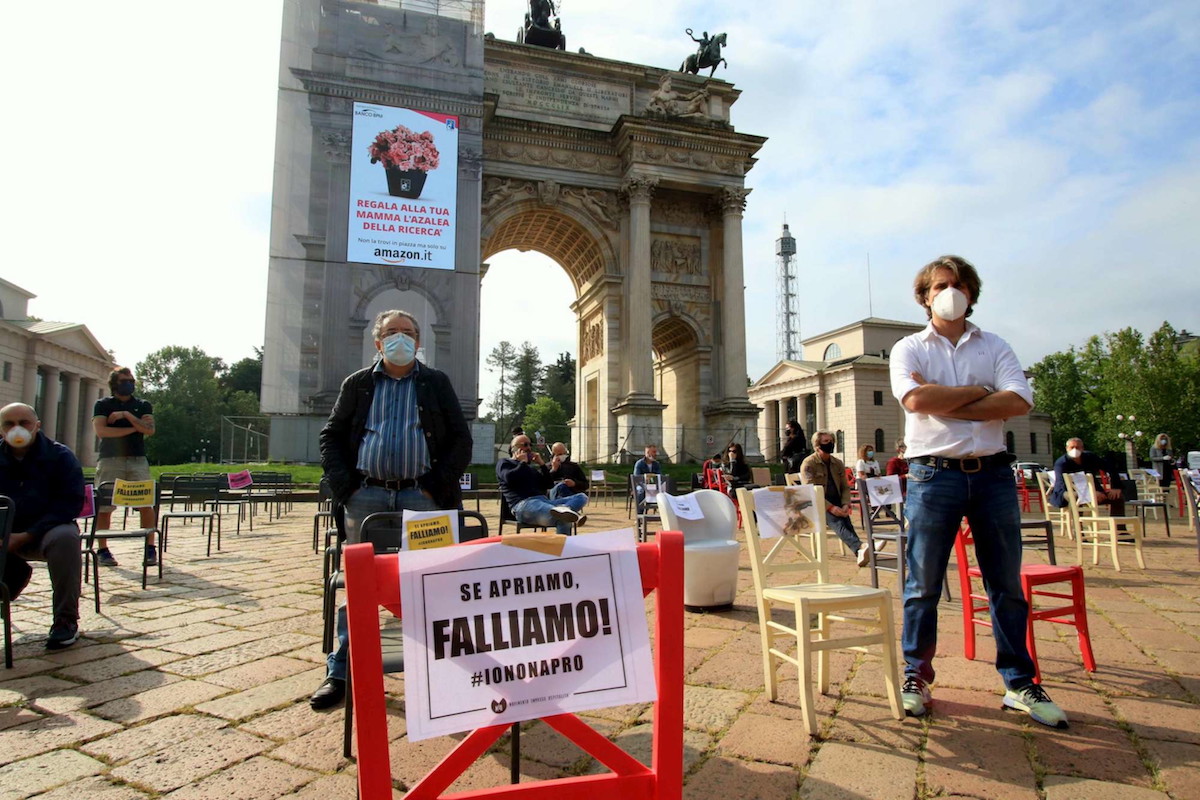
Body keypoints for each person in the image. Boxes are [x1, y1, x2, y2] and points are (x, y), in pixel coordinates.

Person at [890, 254, 1067, 728]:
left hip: (992, 475)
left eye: (960, 284)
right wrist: (983, 395)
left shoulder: (996, 345)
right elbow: (915, 399)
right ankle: (916, 675)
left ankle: (1018, 682)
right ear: (924, 296)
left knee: (1006, 586)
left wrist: (947, 398)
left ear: (972, 293)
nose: (951, 292)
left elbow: (1019, 400)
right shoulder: (907, 348)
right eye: (941, 285)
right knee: (922, 584)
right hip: (933, 475)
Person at [311, 310, 472, 710]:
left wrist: (438, 486)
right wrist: (346, 487)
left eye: (408, 332)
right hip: (366, 497)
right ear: (377, 342)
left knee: (433, 584)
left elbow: (460, 439)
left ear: (419, 342)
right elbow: (331, 436)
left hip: (423, 498)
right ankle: (343, 670)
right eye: (391, 332)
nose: (400, 338)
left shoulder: (436, 383)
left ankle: (443, 671)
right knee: (360, 586)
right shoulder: (359, 384)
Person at [0, 403, 85, 650]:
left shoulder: (61, 457)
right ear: (1, 430)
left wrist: (27, 535)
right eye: (9, 423)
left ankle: (65, 621)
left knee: (66, 537)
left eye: (24, 423)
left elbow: (69, 504)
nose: (17, 429)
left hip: (47, 531)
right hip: (4, 532)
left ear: (37, 426)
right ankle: (12, 578)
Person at [91, 367, 158, 568]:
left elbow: (150, 430)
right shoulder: (102, 405)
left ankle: (149, 547)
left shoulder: (143, 405)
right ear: (115, 384)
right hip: (110, 459)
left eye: (131, 380)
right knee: (105, 506)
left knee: (147, 503)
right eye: (124, 380)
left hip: (137, 459)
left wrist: (127, 416)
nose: (129, 383)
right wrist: (135, 428)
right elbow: (102, 431)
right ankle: (102, 549)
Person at [799, 431, 870, 566]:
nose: (830, 444)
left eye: (832, 441)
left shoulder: (837, 463)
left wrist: (845, 504)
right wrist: (830, 507)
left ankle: (859, 550)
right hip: (817, 502)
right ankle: (861, 546)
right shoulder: (809, 464)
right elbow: (810, 491)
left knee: (844, 519)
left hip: (836, 500)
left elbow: (845, 486)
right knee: (837, 520)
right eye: (826, 441)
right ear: (817, 445)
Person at [497, 434, 587, 534]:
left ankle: (565, 511)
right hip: (523, 505)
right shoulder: (505, 463)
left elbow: (548, 484)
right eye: (525, 445)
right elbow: (509, 478)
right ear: (514, 448)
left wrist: (542, 465)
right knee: (563, 518)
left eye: (530, 445)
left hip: (544, 501)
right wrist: (522, 463)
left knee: (581, 497)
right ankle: (567, 515)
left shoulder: (530, 469)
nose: (529, 448)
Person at [1048, 438, 1126, 515]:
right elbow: (1062, 483)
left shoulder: (1090, 457)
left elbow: (1110, 467)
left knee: (1117, 497)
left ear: (1082, 448)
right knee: (1074, 497)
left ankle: (1119, 526)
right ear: (1067, 449)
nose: (1075, 450)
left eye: (1077, 447)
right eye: (1072, 447)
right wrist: (1089, 493)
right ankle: (1078, 526)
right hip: (1066, 492)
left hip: (1095, 492)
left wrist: (1116, 487)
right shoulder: (1061, 463)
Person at [633, 444, 662, 512]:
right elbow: (637, 477)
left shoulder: (657, 464)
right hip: (641, 485)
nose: (655, 454)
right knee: (641, 492)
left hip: (653, 486)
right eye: (654, 452)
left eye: (655, 452)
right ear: (648, 453)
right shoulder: (639, 463)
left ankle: (663, 515)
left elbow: (659, 475)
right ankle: (639, 515)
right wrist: (645, 478)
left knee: (663, 493)